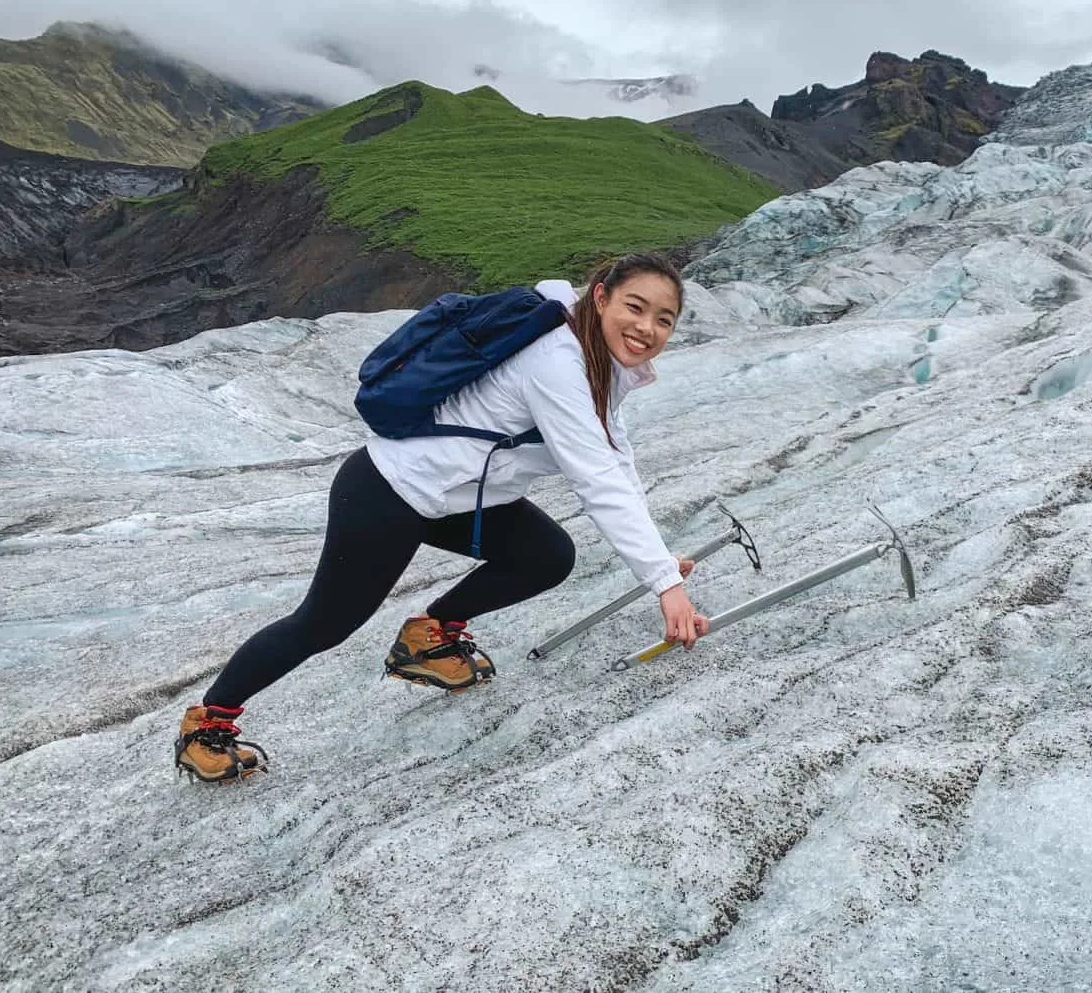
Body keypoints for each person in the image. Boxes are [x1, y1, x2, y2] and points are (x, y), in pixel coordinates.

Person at [175, 253, 709, 782]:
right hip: (389, 491)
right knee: (325, 622)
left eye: (664, 319)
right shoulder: (558, 360)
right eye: (635, 307)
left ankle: (429, 638)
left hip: (452, 498)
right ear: (600, 297)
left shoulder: (599, 360)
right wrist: (664, 585)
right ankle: (208, 722)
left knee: (546, 555)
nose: (647, 328)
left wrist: (659, 563)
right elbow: (595, 477)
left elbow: (615, 455)